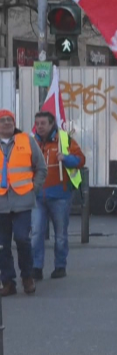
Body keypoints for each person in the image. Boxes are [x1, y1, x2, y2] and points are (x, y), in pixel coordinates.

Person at [31, 111, 85, 281]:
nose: (39, 127)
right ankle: (36, 267)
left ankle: (60, 266)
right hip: (37, 196)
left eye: (43, 123)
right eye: (37, 123)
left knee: (60, 234)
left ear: (51, 123)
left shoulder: (64, 139)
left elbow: (81, 160)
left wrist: (66, 158)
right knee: (36, 233)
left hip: (60, 195)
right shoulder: (31, 141)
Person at [0, 110, 46, 296]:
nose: (6, 123)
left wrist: (32, 190)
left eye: (9, 119)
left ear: (14, 122)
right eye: (2, 120)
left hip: (22, 200)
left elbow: (41, 168)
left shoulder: (27, 140)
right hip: (1, 202)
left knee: (22, 238)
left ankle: (27, 276)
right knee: (2, 245)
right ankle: (8, 282)